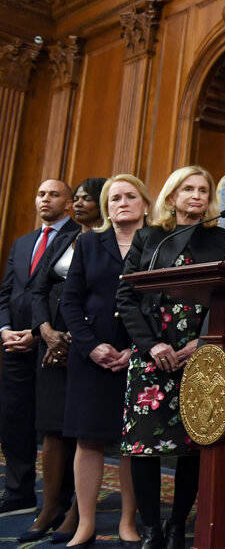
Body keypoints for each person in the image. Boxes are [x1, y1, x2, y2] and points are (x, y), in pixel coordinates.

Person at [116, 166, 225, 549]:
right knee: (145, 445)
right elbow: (126, 297)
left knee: (194, 443)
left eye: (203, 189)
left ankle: (177, 525)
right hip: (152, 351)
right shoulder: (149, 237)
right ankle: (151, 527)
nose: (196, 196)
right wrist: (152, 345)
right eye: (188, 189)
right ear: (171, 196)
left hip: (199, 352)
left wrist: (200, 344)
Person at [62, 175, 150, 547]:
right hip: (92, 355)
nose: (122, 203)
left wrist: (137, 348)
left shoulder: (156, 244)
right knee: (89, 440)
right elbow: (70, 301)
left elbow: (159, 302)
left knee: (132, 442)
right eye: (114, 198)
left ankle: (128, 521)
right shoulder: (88, 243)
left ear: (145, 203)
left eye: (130, 196)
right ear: (105, 206)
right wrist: (91, 346)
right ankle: (85, 522)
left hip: (138, 354)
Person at [22, 178, 105, 543]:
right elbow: (38, 288)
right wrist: (45, 330)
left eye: (89, 198)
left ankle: (77, 511)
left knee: (84, 429)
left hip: (88, 341)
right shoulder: (65, 238)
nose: (82, 203)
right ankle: (50, 506)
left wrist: (75, 337)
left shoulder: (110, 241)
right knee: (53, 427)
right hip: (52, 341)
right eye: (80, 198)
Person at [0, 179, 78, 517]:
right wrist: (4, 330)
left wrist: (36, 332)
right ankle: (18, 492)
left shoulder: (80, 237)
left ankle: (57, 500)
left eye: (54, 194)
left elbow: (65, 295)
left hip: (53, 342)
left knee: (52, 426)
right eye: (40, 193)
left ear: (70, 202)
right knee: (13, 417)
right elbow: (6, 294)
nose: (45, 199)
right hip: (13, 344)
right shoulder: (22, 243)